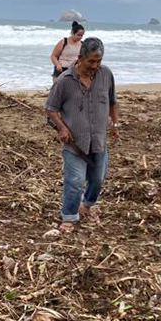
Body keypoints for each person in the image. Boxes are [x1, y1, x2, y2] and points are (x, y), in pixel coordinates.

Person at [44, 37, 120, 232]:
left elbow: (112, 102)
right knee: (75, 180)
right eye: (91, 61)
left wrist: (115, 124)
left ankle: (86, 206)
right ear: (80, 58)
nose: (95, 66)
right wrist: (62, 128)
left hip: (98, 140)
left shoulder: (106, 74)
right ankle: (69, 216)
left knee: (97, 179)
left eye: (99, 61)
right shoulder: (64, 80)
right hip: (75, 143)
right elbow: (50, 108)